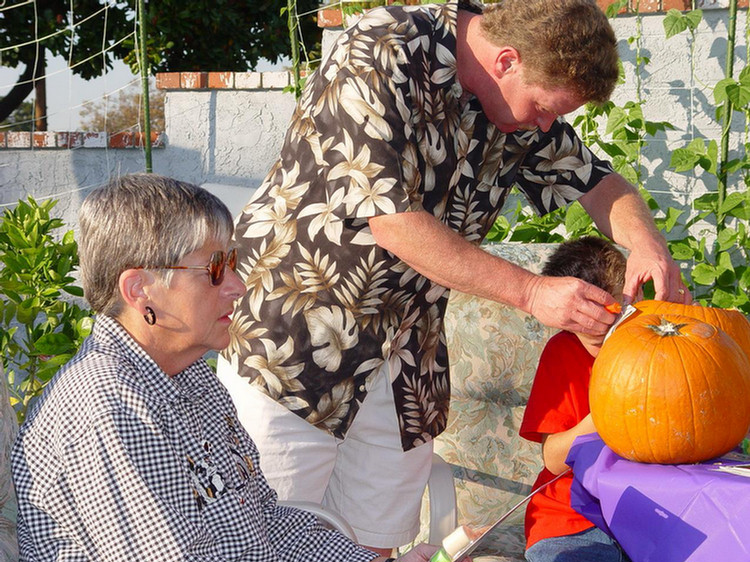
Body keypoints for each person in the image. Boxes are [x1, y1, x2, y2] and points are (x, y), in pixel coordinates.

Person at [218, 0, 689, 555]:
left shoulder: (516, 105)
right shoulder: (384, 44)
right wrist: (533, 292)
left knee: (375, 544)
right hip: (296, 342)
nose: (545, 126)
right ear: (507, 60)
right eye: (543, 108)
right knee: (261, 542)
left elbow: (597, 182)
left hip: (406, 357)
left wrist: (649, 246)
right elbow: (392, 221)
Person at [10, 174, 444, 562]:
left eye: (232, 263)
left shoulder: (193, 376)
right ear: (139, 289)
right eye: (215, 268)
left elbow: (267, 523)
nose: (238, 286)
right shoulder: (109, 408)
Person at [519, 236, 632, 562]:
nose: (598, 327)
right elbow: (553, 459)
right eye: (584, 324)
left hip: (641, 513)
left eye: (611, 315)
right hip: (569, 518)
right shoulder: (563, 352)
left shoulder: (648, 345)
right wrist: (604, 415)